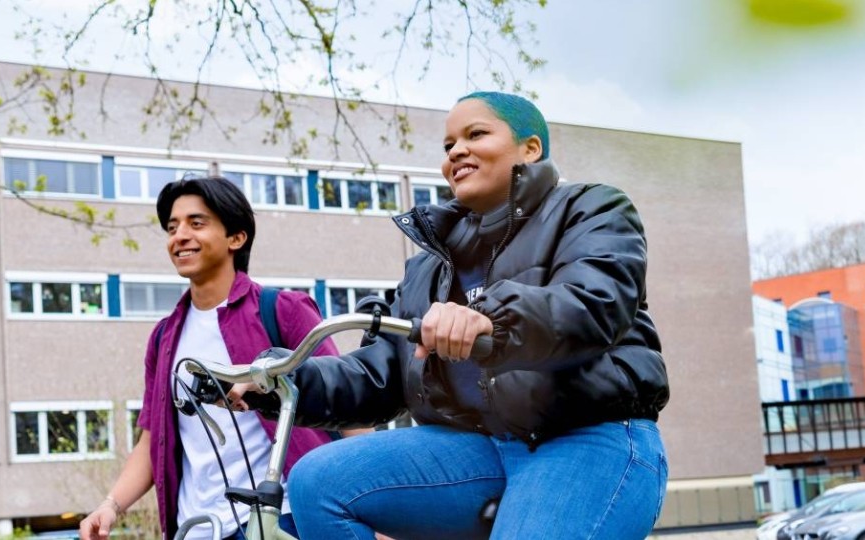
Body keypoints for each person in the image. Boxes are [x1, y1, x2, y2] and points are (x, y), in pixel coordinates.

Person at [229, 91, 670, 539]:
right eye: (448, 145)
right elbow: (380, 374)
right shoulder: (429, 266)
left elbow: (594, 303)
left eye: (476, 134)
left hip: (586, 437)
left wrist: (491, 320)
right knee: (317, 481)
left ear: (530, 149)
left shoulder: (591, 209)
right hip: (479, 448)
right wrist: (281, 380)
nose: (456, 151)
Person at [80, 176, 352, 540]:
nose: (179, 236)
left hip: (281, 518)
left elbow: (350, 407)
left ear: (235, 238)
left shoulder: (283, 310)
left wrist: (375, 511)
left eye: (197, 223)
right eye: (172, 227)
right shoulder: (163, 338)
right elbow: (150, 442)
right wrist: (110, 505)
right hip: (196, 527)